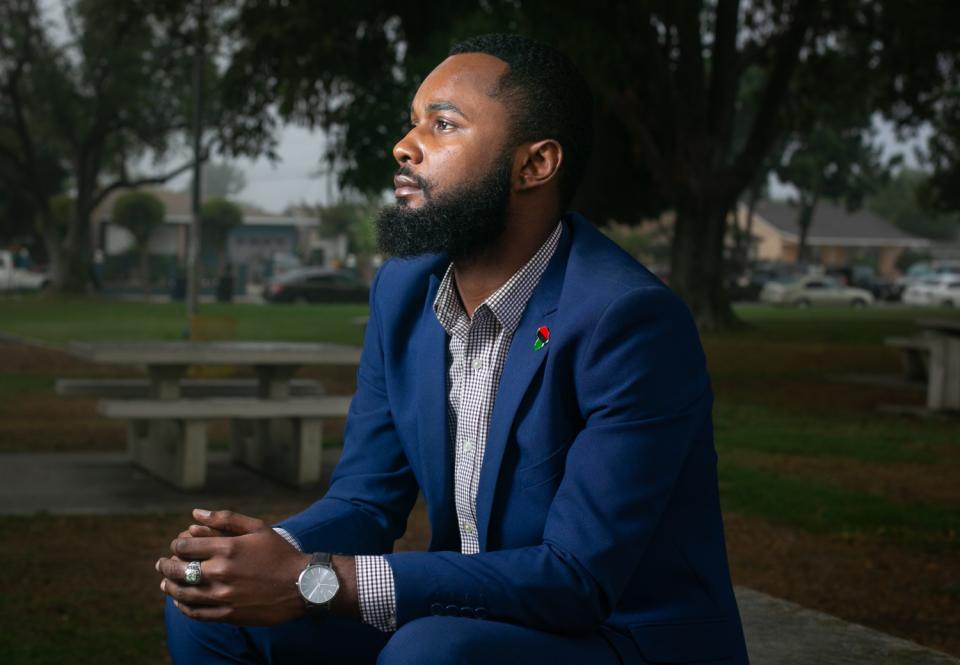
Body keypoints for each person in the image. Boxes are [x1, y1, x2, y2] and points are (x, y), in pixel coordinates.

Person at [158, 33, 749, 665]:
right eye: (412, 124)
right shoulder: (403, 291)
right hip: (481, 618)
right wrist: (261, 554)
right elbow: (365, 500)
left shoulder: (627, 321)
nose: (405, 147)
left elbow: (577, 578)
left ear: (534, 165)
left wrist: (313, 580)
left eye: (443, 125)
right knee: (210, 606)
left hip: (621, 635)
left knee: (431, 651)